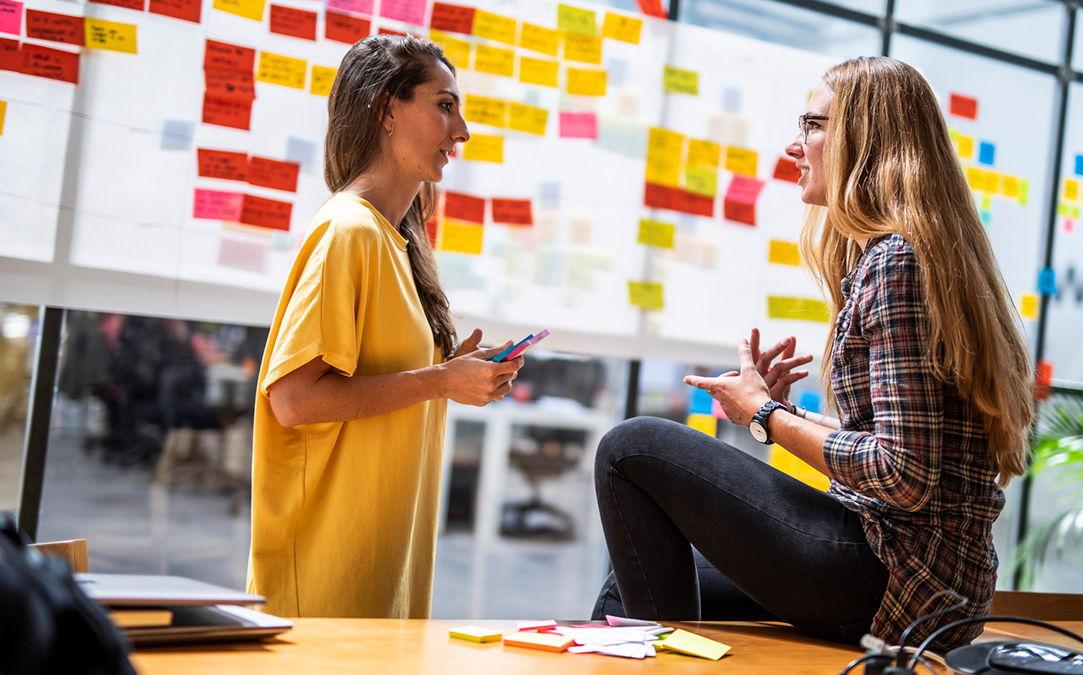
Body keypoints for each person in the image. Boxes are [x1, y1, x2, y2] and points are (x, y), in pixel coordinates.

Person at [592, 56, 1034, 651]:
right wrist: (781, 411)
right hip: (909, 572)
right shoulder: (911, 256)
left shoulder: (897, 263)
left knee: (631, 446)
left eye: (814, 125)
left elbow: (902, 477)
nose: (794, 146)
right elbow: (897, 445)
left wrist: (764, 418)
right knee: (626, 584)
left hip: (894, 577)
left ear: (868, 139)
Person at [247, 35, 524, 619]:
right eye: (444, 105)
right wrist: (439, 382)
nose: (462, 130)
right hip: (325, 576)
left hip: (381, 564)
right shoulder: (348, 233)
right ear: (386, 110)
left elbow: (396, 380)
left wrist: (453, 375)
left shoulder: (395, 241)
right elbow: (293, 400)